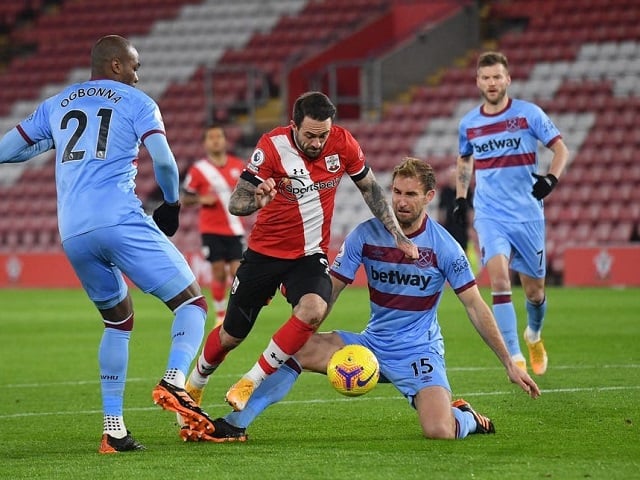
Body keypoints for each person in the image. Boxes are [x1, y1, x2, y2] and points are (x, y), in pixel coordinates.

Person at [179, 157, 540, 442]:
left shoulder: (444, 247)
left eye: (410, 195)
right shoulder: (366, 236)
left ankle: (466, 417)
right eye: (396, 192)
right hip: (371, 344)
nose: (400, 201)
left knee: (439, 432)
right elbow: (330, 290)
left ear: (429, 197)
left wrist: (509, 362)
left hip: (419, 352)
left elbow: (475, 306)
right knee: (298, 350)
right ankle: (236, 424)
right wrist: (305, 327)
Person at [0, 35, 218, 453]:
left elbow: (10, 150)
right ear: (116, 66)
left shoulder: (58, 102)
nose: (139, 74)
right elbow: (166, 161)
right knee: (192, 305)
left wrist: (51, 142)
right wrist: (171, 204)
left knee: (117, 322)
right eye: (134, 66)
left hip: (73, 232)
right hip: (118, 218)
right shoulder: (138, 103)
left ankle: (113, 429)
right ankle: (175, 380)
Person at [178, 91, 419, 436]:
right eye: (310, 135)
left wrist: (397, 233)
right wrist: (258, 200)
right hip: (264, 254)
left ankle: (251, 380)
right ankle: (197, 380)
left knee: (313, 309)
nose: (318, 142)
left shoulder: (343, 143)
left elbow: (370, 188)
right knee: (232, 335)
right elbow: (237, 202)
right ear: (294, 127)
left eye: (323, 134)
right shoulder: (272, 146)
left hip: (308, 254)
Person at [452, 51, 569, 375]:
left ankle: (533, 334)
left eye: (496, 77)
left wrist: (551, 178)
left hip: (527, 214)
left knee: (535, 292)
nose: (491, 83)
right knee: (500, 280)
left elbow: (560, 148)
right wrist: (462, 197)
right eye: (485, 77)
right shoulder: (469, 124)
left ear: (507, 80)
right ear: (478, 81)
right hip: (490, 214)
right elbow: (464, 160)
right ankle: (515, 355)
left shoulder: (529, 114)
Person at [181, 124, 246, 327]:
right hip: (211, 229)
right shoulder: (199, 170)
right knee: (218, 271)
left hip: (235, 229)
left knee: (237, 272)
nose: (216, 140)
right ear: (205, 143)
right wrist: (201, 199)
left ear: (225, 141)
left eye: (219, 136)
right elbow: (185, 198)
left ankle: (238, 311)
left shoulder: (238, 166)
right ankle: (220, 315)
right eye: (211, 137)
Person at [438, 165, 473, 251]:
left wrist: (471, 226)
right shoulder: (445, 191)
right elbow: (441, 210)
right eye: (452, 178)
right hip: (449, 226)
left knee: (463, 250)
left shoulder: (466, 191)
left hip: (462, 227)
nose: (453, 180)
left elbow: (470, 210)